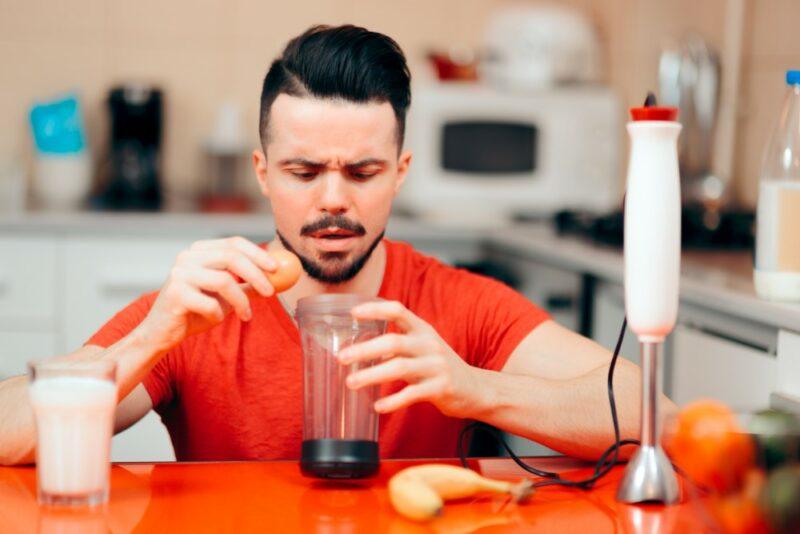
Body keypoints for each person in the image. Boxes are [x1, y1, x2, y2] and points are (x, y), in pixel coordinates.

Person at [0, 25, 661, 466]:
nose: (334, 199)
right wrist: (151, 337)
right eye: (304, 171)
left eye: (364, 172)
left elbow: (651, 411)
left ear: (400, 173)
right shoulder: (198, 309)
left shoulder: (457, 303)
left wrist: (475, 389)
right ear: (262, 171)